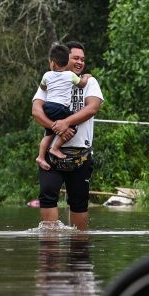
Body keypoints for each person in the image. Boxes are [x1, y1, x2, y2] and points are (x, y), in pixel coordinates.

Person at [32, 41, 103, 230]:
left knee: (79, 201)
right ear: (64, 60)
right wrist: (57, 127)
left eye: (83, 59)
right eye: (75, 58)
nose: (80, 62)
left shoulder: (90, 82)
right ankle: (50, 246)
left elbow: (92, 108)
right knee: (47, 195)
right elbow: (36, 111)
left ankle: (79, 246)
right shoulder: (50, 78)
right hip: (52, 153)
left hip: (80, 154)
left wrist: (67, 122)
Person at [36, 42, 92, 170]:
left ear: (52, 63)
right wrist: (86, 76)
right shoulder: (70, 75)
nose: (80, 62)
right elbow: (82, 84)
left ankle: (40, 156)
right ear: (67, 63)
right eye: (76, 58)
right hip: (61, 108)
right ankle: (55, 148)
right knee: (73, 122)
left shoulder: (46, 75)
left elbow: (43, 87)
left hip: (48, 107)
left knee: (48, 134)